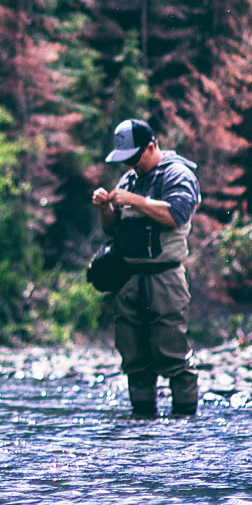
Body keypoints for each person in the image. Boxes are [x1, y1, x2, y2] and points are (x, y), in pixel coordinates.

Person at [93, 117, 203, 418]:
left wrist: (135, 200)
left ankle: (185, 425)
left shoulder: (177, 174)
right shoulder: (129, 178)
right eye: (124, 160)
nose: (129, 165)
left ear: (151, 146)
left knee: (172, 355)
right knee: (134, 358)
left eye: (133, 157)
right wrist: (106, 207)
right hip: (129, 279)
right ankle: (141, 424)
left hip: (164, 278)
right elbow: (113, 229)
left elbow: (176, 215)